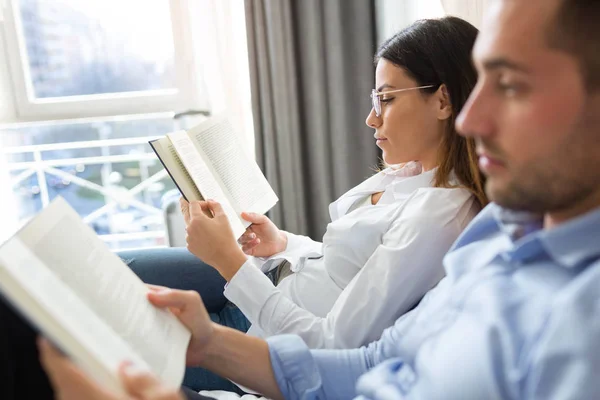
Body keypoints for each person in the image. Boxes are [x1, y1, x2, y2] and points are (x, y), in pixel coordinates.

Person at [26, 0, 600, 398]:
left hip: (277, 321)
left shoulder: (568, 313)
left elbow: (339, 338)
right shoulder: (491, 236)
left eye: (514, 85)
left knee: (43, 337)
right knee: (81, 286)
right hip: (281, 320)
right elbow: (371, 362)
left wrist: (231, 269)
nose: (476, 119)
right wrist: (216, 339)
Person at [117, 16, 486, 393]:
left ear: (443, 100)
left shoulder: (438, 215)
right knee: (117, 270)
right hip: (269, 279)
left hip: (263, 332)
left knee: (107, 332)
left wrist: (228, 262)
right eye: (375, 99)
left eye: (387, 99)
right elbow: (346, 266)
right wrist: (284, 244)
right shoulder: (408, 171)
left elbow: (333, 343)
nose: (371, 117)